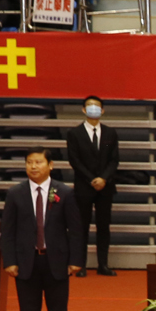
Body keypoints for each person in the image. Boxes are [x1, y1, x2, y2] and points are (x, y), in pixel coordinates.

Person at [1, 147, 83, 311]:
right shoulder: (15, 193)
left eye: (38, 162)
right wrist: (9, 260)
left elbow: (76, 229)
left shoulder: (64, 192)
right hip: (26, 263)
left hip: (56, 262)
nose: (33, 166)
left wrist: (76, 259)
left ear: (50, 165)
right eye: (29, 162)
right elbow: (7, 231)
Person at [64, 94, 118, 275]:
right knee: (81, 227)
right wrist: (91, 179)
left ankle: (103, 265)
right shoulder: (74, 133)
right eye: (89, 105)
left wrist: (103, 179)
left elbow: (114, 160)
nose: (93, 109)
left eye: (97, 106)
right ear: (83, 109)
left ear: (102, 110)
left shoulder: (110, 133)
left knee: (104, 227)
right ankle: (81, 265)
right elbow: (74, 160)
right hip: (84, 187)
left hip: (105, 187)